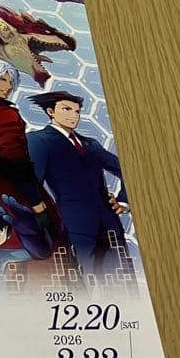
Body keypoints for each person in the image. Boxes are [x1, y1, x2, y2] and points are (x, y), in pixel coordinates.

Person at [0, 58, 66, 256]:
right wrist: (36, 203)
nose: (9, 86)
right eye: (3, 80)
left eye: (10, 81)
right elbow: (14, 160)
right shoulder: (5, 114)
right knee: (49, 247)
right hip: (19, 195)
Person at [26, 91, 129, 279]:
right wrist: (45, 223)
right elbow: (32, 183)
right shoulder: (38, 140)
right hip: (74, 227)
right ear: (50, 112)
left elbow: (124, 169)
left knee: (124, 282)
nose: (74, 115)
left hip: (110, 225)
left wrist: (123, 201)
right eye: (66, 109)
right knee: (85, 283)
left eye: (77, 111)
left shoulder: (90, 144)